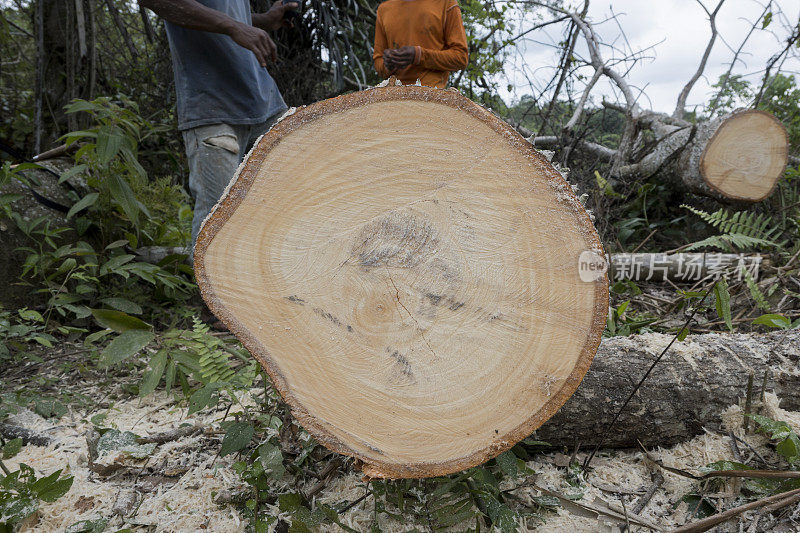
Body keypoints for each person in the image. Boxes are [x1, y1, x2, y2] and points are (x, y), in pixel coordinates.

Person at [138, 0, 297, 246]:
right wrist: (235, 27)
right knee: (220, 227)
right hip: (213, 109)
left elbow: (225, 13)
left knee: (294, 204)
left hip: (264, 103)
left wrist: (263, 21)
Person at [372, 0, 469, 89]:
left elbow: (461, 57)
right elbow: (378, 62)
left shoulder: (446, 3)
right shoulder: (384, 9)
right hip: (393, 96)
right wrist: (389, 63)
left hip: (431, 96)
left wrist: (418, 55)